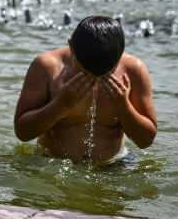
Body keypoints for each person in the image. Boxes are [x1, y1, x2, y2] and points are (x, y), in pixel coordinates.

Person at [13, 16, 157, 164]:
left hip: (112, 165)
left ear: (120, 56)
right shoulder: (47, 67)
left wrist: (123, 106)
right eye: (85, 72)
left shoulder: (134, 70)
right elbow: (22, 133)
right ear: (71, 47)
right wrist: (60, 105)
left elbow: (145, 141)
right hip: (52, 163)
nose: (94, 80)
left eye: (105, 73)